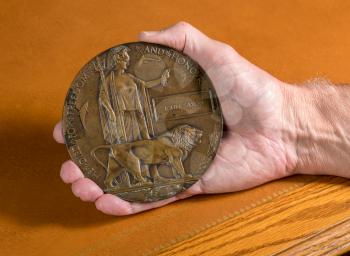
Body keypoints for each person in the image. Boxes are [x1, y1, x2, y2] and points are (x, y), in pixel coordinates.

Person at [53, 22, 350, 216]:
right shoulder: (106, 83)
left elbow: (149, 91)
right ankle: (133, 173)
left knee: (139, 152)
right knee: (130, 154)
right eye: (118, 61)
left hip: (138, 123)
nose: (121, 62)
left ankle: (136, 171)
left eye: (122, 60)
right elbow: (104, 104)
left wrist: (164, 78)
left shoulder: (131, 79)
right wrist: (291, 125)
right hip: (123, 126)